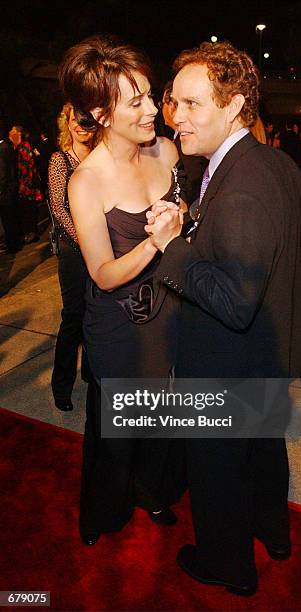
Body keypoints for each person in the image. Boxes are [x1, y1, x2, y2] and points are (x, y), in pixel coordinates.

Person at [145, 41, 301, 596]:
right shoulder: (272, 162)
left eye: (193, 105)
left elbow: (235, 301)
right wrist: (200, 229)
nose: (176, 117)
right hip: (269, 358)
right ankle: (274, 533)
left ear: (234, 104)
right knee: (265, 453)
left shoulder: (240, 183)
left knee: (218, 474)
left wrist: (174, 246)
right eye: (174, 103)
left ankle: (229, 568)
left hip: (228, 368)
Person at [59, 34, 186, 545]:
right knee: (113, 429)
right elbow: (103, 273)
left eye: (151, 95)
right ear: (101, 114)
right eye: (137, 102)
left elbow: (186, 225)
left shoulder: (169, 150)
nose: (154, 108)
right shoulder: (86, 181)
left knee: (158, 419)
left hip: (170, 316)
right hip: (118, 326)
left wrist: (183, 222)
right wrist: (157, 242)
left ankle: (148, 489)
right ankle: (102, 510)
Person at [49, 103, 93, 412]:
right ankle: (61, 385)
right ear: (67, 120)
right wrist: (87, 242)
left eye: (88, 122)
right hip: (73, 249)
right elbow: (59, 209)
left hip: (101, 245)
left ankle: (92, 372)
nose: (82, 127)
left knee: (98, 312)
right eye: (76, 120)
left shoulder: (102, 157)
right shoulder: (59, 160)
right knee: (74, 317)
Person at [9, 125, 43, 243]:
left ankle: (32, 233)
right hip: (23, 184)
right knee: (25, 208)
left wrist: (25, 183)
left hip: (28, 185)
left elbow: (28, 165)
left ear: (19, 134)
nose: (10, 133)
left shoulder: (24, 147)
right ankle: (29, 233)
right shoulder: (17, 147)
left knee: (29, 208)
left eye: (12, 131)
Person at [0, 119, 22, 254]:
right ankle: (14, 242)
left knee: (8, 219)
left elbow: (2, 172)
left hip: (5, 192)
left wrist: (1, 190)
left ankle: (13, 244)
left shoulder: (2, 149)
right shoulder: (7, 148)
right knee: (11, 217)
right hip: (11, 188)